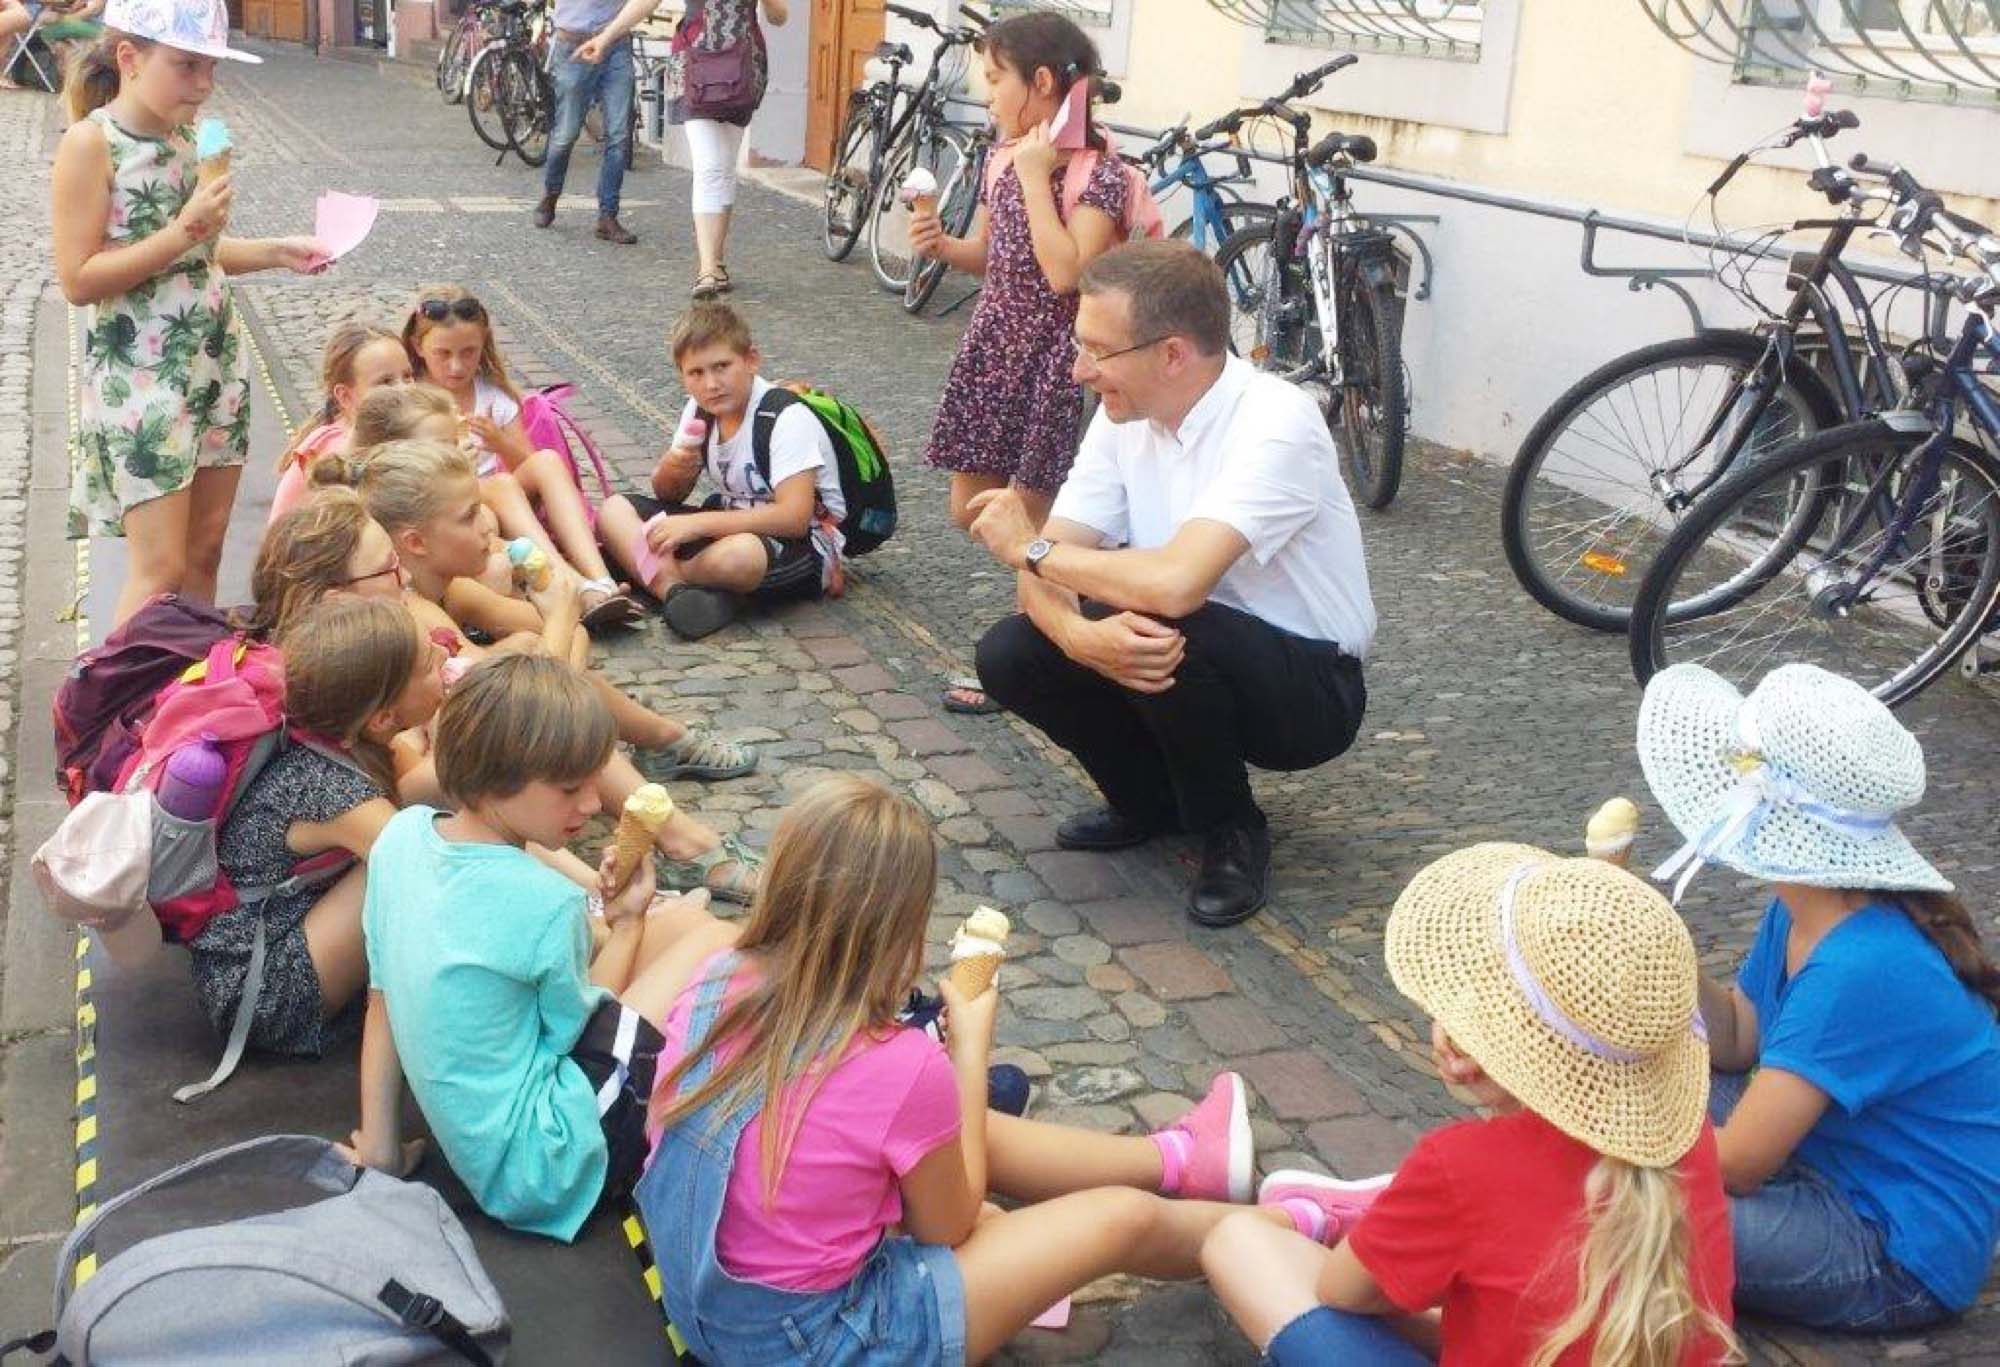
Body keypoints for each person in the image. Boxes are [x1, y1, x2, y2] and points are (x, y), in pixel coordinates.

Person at [633, 774, 1270, 1365]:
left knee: (957, 1175)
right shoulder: (897, 1062)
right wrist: (970, 1048)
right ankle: (1291, 1232)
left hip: (703, 1303)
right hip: (811, 1343)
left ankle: (1182, 1160)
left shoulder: (717, 980)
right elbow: (949, 1222)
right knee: (1119, 1219)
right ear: (904, 929)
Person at [1199, 844, 1739, 1366]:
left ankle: (1373, 1229)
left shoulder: (1460, 1165)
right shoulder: (1690, 1136)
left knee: (1239, 1241)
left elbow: (1342, 1291)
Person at [969, 242, 1374, 926]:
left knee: (1162, 620)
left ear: (1174, 354)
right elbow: (1044, 574)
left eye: (1098, 351)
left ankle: (1231, 829)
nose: (1079, 369)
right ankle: (1147, 802)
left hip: (1310, 687)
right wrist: (1077, 635)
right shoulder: (1122, 415)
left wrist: (1031, 548)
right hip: (1191, 644)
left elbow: (1178, 581)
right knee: (1010, 652)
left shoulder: (1278, 421)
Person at [1636, 662, 2000, 1332]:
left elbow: (1741, 1162)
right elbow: (1742, 1036)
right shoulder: (1809, 903)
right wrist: (1659, 941)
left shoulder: (1859, 963)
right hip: (1824, 1156)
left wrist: (1603, 1136)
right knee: (1643, 1081)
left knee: (1617, 1212)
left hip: (1893, 1247)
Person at [345, 654, 709, 1234]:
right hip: (548, 1164)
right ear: (494, 781)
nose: (592, 805)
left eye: (595, 779)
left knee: (686, 930)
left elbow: (382, 998)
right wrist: (631, 926)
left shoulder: (402, 838)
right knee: (716, 943)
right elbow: (584, 1026)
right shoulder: (547, 903)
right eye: (570, 788)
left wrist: (381, 1151)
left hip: (479, 1151)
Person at [311, 442, 762, 900]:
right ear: (414, 544)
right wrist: (561, 620)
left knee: (544, 676)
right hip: (409, 794)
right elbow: (515, 706)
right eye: (470, 516)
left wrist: (555, 632)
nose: (489, 524)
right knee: (544, 711)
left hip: (455, 760)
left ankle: (667, 760)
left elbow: (559, 648)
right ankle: (667, 828)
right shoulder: (411, 612)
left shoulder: (453, 590)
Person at [51, 0, 324, 627]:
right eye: (187, 67)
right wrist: (182, 232)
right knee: (160, 570)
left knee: (205, 555)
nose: (203, 86)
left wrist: (279, 251)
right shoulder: (91, 144)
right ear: (130, 58)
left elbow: (199, 253)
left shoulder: (183, 141)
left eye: (211, 69)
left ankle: (186, 701)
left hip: (213, 367)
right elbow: (78, 278)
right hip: (141, 378)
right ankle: (114, 713)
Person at [909, 12, 1130, 714]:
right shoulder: (1004, 154)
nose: (988, 94)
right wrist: (945, 245)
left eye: (997, 80)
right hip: (994, 344)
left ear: (1042, 82)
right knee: (970, 507)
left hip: (1053, 360)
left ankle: (1034, 659)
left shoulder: (1103, 174)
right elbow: (994, 251)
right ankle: (1089, 588)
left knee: (1030, 526)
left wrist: (1039, 178)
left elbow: (1067, 273)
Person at [192, 595, 442, 1066]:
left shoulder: (339, 736)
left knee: (446, 812)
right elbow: (441, 875)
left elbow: (443, 785)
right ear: (383, 718)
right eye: (430, 663)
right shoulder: (328, 788)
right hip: (262, 991)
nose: (445, 658)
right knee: (407, 865)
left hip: (281, 931)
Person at [597, 303, 844, 640]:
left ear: (751, 360)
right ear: (683, 376)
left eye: (722, 367)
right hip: (728, 522)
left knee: (738, 557)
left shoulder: (785, 417)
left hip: (798, 547)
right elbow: (669, 495)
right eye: (696, 373)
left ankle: (651, 574)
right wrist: (673, 466)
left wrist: (695, 524)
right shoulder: (701, 410)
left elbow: (794, 517)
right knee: (614, 509)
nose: (711, 384)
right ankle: (675, 594)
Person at [401, 284, 642, 629]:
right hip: (454, 499)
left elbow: (526, 463)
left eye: (468, 352)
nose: (456, 366)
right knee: (499, 484)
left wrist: (499, 442)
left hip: (505, 494)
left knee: (546, 461)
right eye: (443, 354)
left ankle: (598, 577)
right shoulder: (413, 397)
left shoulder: (492, 394)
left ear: (483, 345)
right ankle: (570, 582)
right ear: (418, 347)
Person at [583, 0, 787, 296]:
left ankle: (716, 261)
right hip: (694, 65)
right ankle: (706, 270)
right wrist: (606, 37)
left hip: (741, 67)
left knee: (725, 166)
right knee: (710, 165)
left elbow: (779, 17)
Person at [267, 320, 412, 526]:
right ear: (345, 396)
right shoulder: (330, 450)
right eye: (386, 382)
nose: (404, 389)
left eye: (407, 376)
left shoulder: (411, 432)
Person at [528, 0, 639, 245]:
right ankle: (552, 193)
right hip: (573, 45)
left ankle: (607, 216)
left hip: (616, 44)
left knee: (619, 134)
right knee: (566, 133)